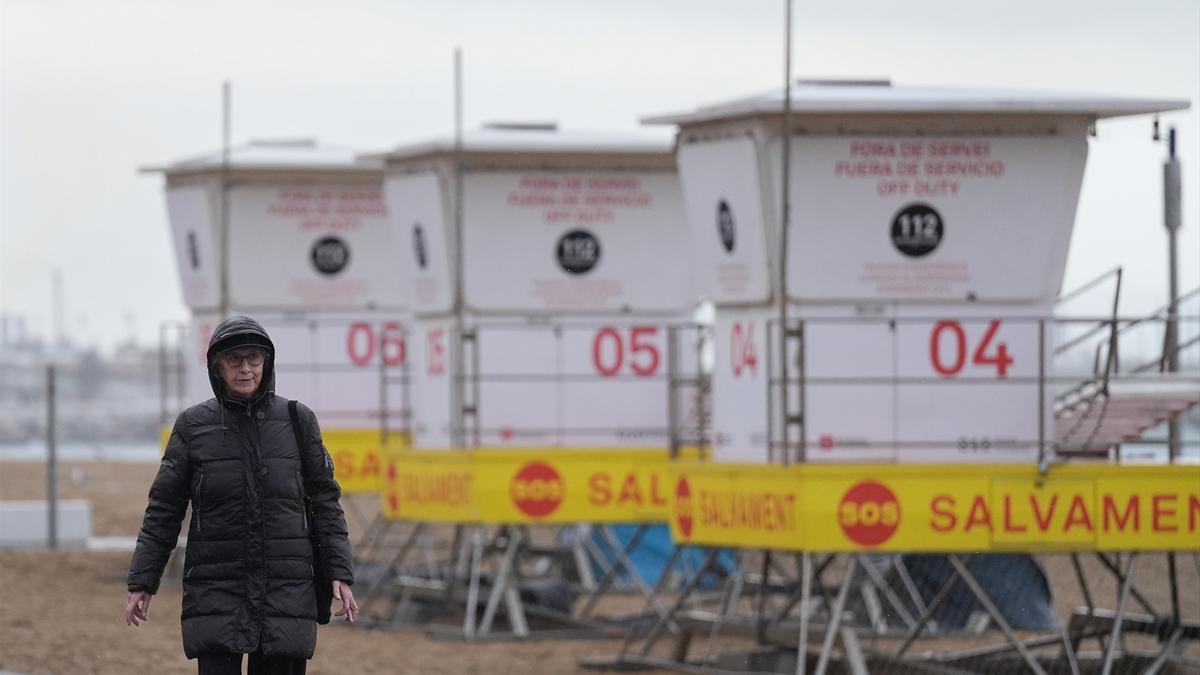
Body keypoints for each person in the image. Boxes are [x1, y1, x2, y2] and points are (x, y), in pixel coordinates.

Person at [125, 315, 357, 674]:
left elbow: (326, 502)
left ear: (267, 362)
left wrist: (339, 572)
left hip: (287, 591)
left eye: (254, 358)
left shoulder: (298, 420)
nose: (246, 369)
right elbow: (164, 509)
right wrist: (143, 581)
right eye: (235, 359)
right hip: (217, 591)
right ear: (217, 367)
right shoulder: (192, 426)